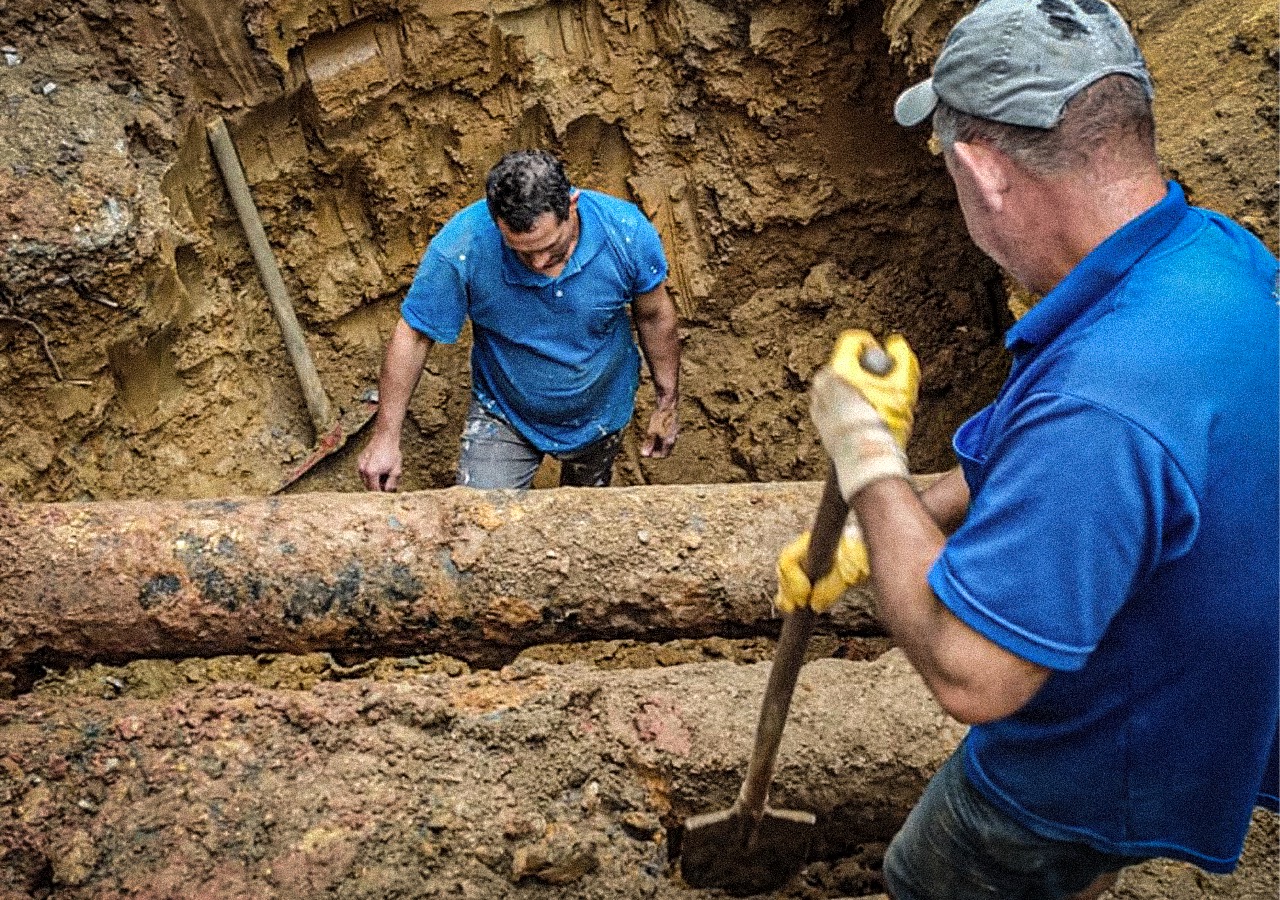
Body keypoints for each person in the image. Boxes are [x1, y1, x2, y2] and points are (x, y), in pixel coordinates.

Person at [774, 1, 1279, 898]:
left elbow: (974, 672)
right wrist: (884, 535)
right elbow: (1040, 465)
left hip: (1120, 736)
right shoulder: (1209, 260)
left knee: (936, 876)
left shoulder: (1101, 406)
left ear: (980, 169)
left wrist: (867, 455)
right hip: (1219, 667)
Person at [358, 149, 680, 491]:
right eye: (522, 251)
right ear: (497, 223)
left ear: (572, 206)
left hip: (601, 410)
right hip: (506, 414)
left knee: (586, 521)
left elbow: (655, 316)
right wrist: (385, 438)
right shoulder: (465, 244)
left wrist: (667, 403)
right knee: (480, 521)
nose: (539, 263)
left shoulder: (625, 232)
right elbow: (414, 335)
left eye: (551, 246)